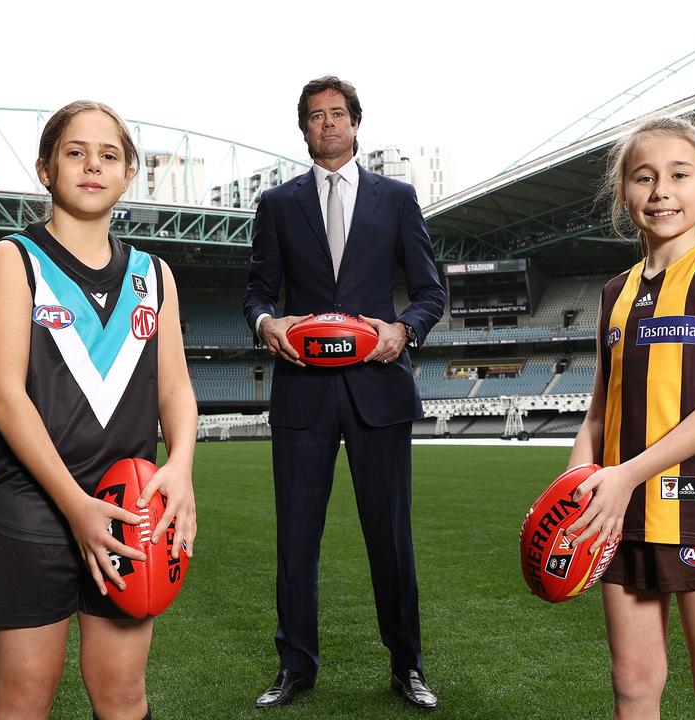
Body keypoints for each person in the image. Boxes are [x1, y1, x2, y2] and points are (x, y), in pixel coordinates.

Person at [0, 100, 197, 720]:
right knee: (24, 698)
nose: (92, 166)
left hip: (130, 509)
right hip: (34, 507)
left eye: (109, 155)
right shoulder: (13, 259)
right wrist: (74, 508)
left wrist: (179, 467)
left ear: (129, 174)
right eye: (75, 152)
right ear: (45, 169)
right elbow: (3, 394)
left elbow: (175, 390)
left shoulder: (155, 274)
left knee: (123, 694)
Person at [243, 75, 446, 710]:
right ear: (302, 130)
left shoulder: (397, 198)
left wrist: (402, 331)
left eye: (337, 114)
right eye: (315, 116)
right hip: (302, 393)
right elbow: (257, 291)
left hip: (376, 390)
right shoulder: (277, 204)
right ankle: (295, 666)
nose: (327, 124)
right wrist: (267, 323)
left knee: (390, 536)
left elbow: (430, 291)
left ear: (356, 124)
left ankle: (407, 665)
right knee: (295, 538)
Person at [563, 113, 695, 719]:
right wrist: (574, 488)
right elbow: (600, 409)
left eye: (680, 174)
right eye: (644, 178)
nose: (661, 191)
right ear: (624, 193)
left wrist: (625, 474)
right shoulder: (613, 292)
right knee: (633, 685)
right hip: (620, 512)